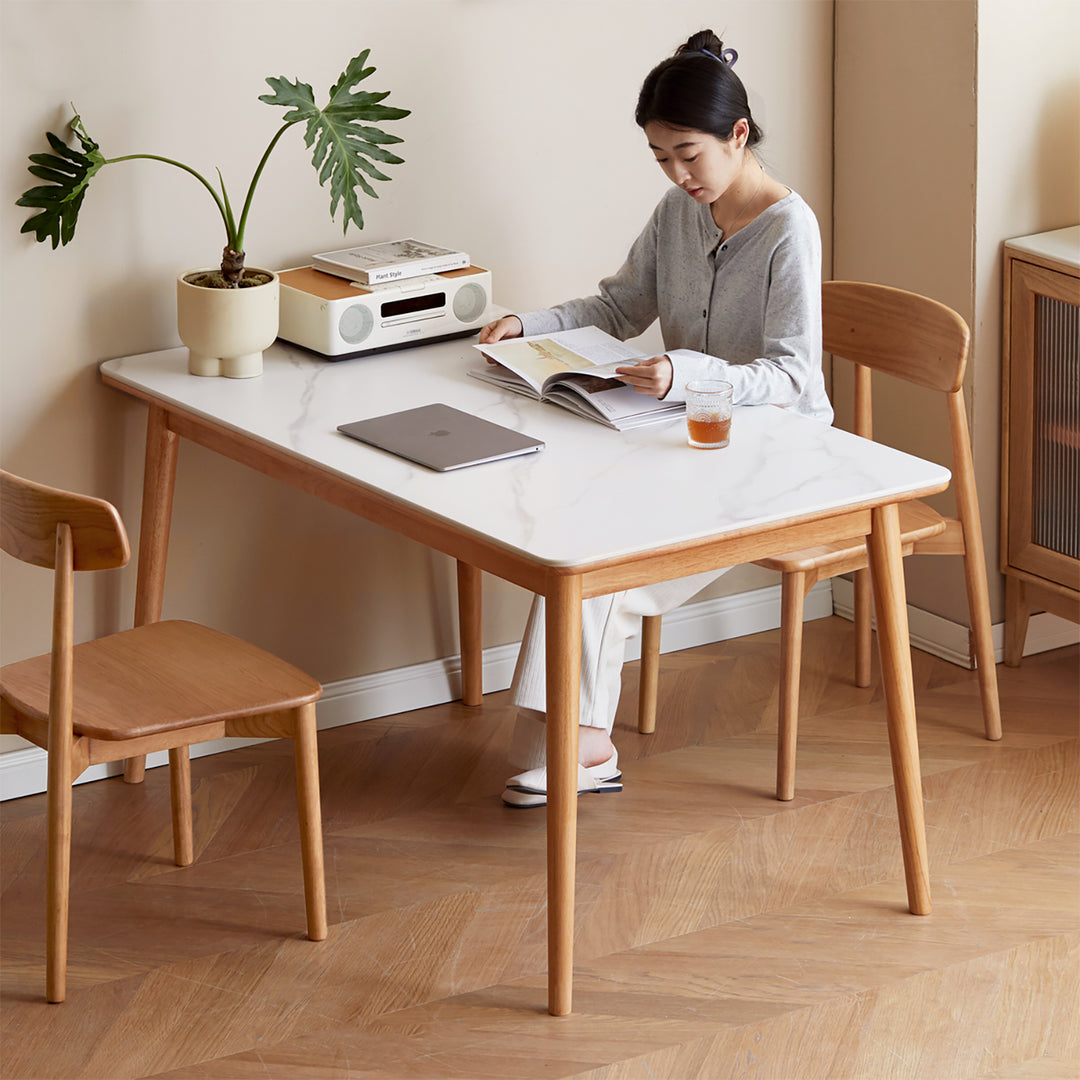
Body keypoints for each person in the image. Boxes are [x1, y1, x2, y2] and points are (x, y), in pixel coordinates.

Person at [480, 29, 833, 808]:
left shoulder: (788, 231)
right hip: (686, 438)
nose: (678, 174)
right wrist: (530, 325)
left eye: (688, 154)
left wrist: (688, 373)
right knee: (575, 534)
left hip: (779, 456)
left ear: (738, 135)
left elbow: (793, 376)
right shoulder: (679, 212)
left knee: (606, 563)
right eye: (661, 158)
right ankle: (579, 741)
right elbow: (618, 305)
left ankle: (583, 746)